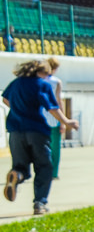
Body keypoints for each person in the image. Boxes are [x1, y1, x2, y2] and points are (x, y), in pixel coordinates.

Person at [3, 59, 79, 215]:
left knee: (20, 165)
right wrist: (66, 121)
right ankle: (40, 203)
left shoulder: (16, 83)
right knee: (44, 167)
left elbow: (5, 99)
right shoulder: (41, 84)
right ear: (43, 72)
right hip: (36, 131)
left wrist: (19, 109)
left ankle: (16, 175)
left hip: (15, 131)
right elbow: (52, 107)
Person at [44, 58, 64, 179]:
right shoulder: (56, 82)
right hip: (54, 118)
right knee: (55, 148)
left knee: (42, 148)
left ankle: (43, 172)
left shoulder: (39, 80)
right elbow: (59, 102)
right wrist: (63, 121)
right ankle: (54, 173)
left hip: (40, 118)